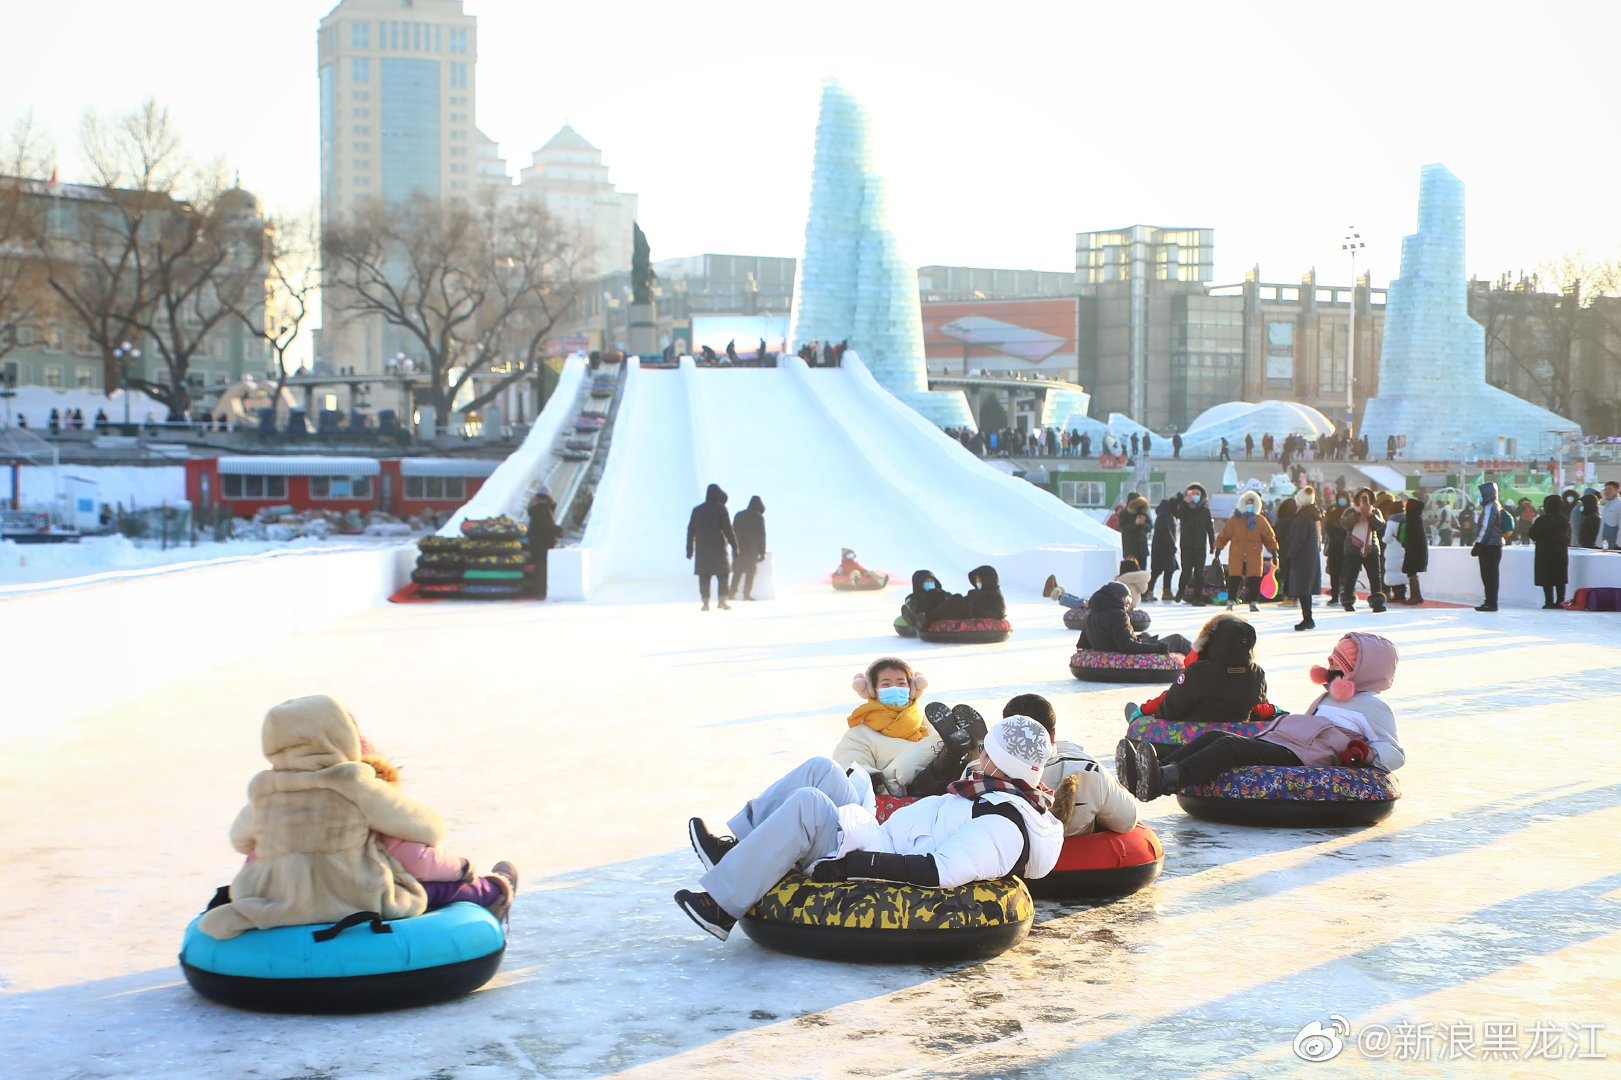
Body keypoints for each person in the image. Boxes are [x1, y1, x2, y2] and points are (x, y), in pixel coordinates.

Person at [674, 715, 1066, 941]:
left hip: (877, 852)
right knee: (821, 769)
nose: (981, 755)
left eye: (988, 751)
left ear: (1001, 762)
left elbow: (939, 871)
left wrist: (854, 866)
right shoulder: (993, 788)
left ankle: (721, 908)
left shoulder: (1004, 824)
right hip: (883, 831)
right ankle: (737, 848)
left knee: (809, 804)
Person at [198, 695, 517, 939]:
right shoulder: (353, 783)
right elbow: (426, 832)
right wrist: (463, 867)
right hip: (359, 900)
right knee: (430, 888)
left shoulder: (264, 790)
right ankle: (491, 892)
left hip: (279, 903)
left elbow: (240, 841)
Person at [1118, 633, 1404, 802]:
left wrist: (1362, 755)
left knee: (1230, 748)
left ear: (1360, 672)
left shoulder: (1372, 706)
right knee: (1216, 737)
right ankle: (1154, 768)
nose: (1329, 667)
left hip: (1305, 755)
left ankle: (1164, 780)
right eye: (1331, 660)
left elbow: (1393, 752)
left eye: (1338, 664)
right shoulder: (1332, 695)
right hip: (1288, 740)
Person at [354, 742, 519, 920]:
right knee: (448, 887)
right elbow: (418, 862)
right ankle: (494, 893)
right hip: (380, 893)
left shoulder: (328, 804)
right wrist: (462, 867)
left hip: (335, 896)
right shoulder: (380, 813)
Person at [1005, 694, 1138, 837]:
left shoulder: (989, 773)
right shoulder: (1088, 771)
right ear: (1053, 734)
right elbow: (1127, 821)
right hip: (1080, 851)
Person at [1122, 613, 1275, 729]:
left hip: (1192, 736)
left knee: (1145, 716)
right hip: (1236, 735)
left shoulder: (1199, 672)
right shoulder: (1257, 674)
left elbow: (1170, 710)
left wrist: (1151, 712)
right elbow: (1258, 709)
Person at [832, 658, 944, 797]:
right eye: (886, 684)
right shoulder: (859, 734)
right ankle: (952, 746)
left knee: (947, 751)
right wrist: (874, 781)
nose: (895, 689)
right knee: (937, 743)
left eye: (901, 683)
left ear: (912, 688)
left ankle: (960, 752)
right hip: (895, 792)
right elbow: (849, 765)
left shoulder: (929, 723)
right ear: (873, 690)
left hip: (942, 786)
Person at [1076, 581, 1193, 656]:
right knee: (1178, 640)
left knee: (1145, 635)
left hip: (1113, 647)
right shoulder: (1118, 615)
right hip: (1123, 651)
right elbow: (1127, 646)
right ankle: (1200, 659)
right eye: (1127, 599)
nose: (1128, 603)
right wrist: (1157, 648)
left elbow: (1083, 644)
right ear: (1117, 597)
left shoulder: (1091, 616)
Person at [1214, 490, 1278, 612]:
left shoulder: (1260, 521)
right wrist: (1218, 547)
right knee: (1234, 578)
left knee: (1254, 579)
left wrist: (1274, 550)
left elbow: (1269, 537)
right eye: (1248, 502)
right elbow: (1224, 534)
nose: (1250, 505)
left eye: (1252, 503)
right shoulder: (1235, 519)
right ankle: (1231, 601)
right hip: (1237, 553)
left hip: (1253, 553)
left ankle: (1253, 601)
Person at [686, 483, 738, 611]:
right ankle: (722, 601)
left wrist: (689, 549)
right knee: (723, 575)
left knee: (704, 576)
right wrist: (735, 546)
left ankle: (705, 603)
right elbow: (728, 530)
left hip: (702, 550)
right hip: (718, 549)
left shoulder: (697, 510)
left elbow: (690, 531)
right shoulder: (721, 509)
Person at [1338, 489, 1386, 612]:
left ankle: (1377, 602)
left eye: (1367, 498)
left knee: (1375, 576)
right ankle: (1348, 601)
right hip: (1353, 548)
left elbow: (1379, 525)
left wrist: (1369, 515)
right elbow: (1345, 523)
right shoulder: (1350, 510)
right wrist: (1358, 514)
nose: (1365, 501)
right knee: (1351, 576)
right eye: (1362, 498)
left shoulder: (1375, 511)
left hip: (1371, 547)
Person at [1045, 558, 1151, 610]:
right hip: (1111, 605)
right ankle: (1058, 592)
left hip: (1107, 606)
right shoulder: (1136, 585)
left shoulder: (1123, 584)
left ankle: (1056, 594)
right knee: (1082, 601)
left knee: (1081, 603)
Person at [1287, 487, 1323, 630]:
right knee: (1305, 590)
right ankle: (1308, 617)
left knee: (1303, 589)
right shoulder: (1313, 516)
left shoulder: (1302, 517)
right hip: (1311, 557)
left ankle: (1307, 618)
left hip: (1302, 558)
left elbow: (1299, 540)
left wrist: (1290, 555)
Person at [1529, 494, 1571, 608]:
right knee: (1560, 577)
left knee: (1546, 577)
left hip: (1545, 551)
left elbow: (1533, 534)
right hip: (1560, 551)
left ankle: (1549, 601)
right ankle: (1560, 601)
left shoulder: (1542, 519)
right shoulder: (1564, 519)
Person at [1175, 484, 1215, 604]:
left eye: (1198, 494)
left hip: (1200, 546)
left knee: (1199, 573)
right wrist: (1184, 503)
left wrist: (1212, 544)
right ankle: (1180, 591)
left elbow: (1210, 528)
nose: (1196, 496)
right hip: (1186, 545)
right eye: (1193, 494)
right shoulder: (1185, 507)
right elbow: (1178, 515)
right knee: (1186, 571)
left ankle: (1197, 597)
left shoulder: (1205, 510)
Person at [1474, 481, 1509, 611]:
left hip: (1488, 545)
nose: (1480, 496)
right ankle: (1490, 601)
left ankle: (1491, 602)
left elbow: (1486, 526)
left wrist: (1479, 543)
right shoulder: (1497, 505)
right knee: (1491, 575)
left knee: (1488, 575)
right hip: (1495, 544)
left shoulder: (1490, 507)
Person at [524, 487, 562, 599]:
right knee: (542, 567)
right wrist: (558, 530)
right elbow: (545, 525)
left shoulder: (538, 508)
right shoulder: (540, 509)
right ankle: (540, 591)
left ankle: (540, 590)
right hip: (542, 543)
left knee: (541, 566)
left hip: (537, 542)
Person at [729, 495, 767, 601]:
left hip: (738, 548)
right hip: (752, 550)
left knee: (737, 571)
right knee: (750, 573)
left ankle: (732, 593)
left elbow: (732, 531)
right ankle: (746, 595)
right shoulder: (759, 517)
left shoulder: (739, 515)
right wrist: (762, 552)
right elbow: (762, 536)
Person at [903, 569, 969, 629]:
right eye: (926, 581)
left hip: (944, 614)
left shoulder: (942, 593)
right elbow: (913, 606)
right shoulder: (914, 597)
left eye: (931, 581)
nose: (930, 583)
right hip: (927, 615)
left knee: (958, 598)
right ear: (919, 584)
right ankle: (920, 621)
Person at [1147, 492, 1180, 602]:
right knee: (1158, 571)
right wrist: (1171, 544)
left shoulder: (1166, 511)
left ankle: (1166, 591)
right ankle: (1149, 591)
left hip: (1163, 547)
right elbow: (1165, 530)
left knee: (1168, 569)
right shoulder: (1166, 513)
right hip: (1163, 547)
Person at [1396, 496, 1428, 605]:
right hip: (1416, 550)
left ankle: (1416, 596)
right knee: (1411, 572)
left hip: (1413, 551)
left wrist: (1405, 543)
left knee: (1411, 573)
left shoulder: (1412, 519)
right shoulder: (1416, 517)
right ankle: (1416, 596)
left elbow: (1412, 536)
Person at [1119, 494, 1151, 571]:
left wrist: (1143, 523)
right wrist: (1135, 523)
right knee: (1131, 571)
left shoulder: (1143, 512)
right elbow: (1124, 528)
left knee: (1142, 570)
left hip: (1142, 548)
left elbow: (1149, 527)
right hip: (1130, 548)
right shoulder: (1124, 513)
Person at [1601, 481, 1621, 548]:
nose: (1607, 491)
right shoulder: (1607, 505)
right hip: (1605, 545)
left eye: (1610, 489)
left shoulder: (1619, 504)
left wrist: (1619, 545)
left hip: (1615, 546)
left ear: (1617, 490)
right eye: (1606, 489)